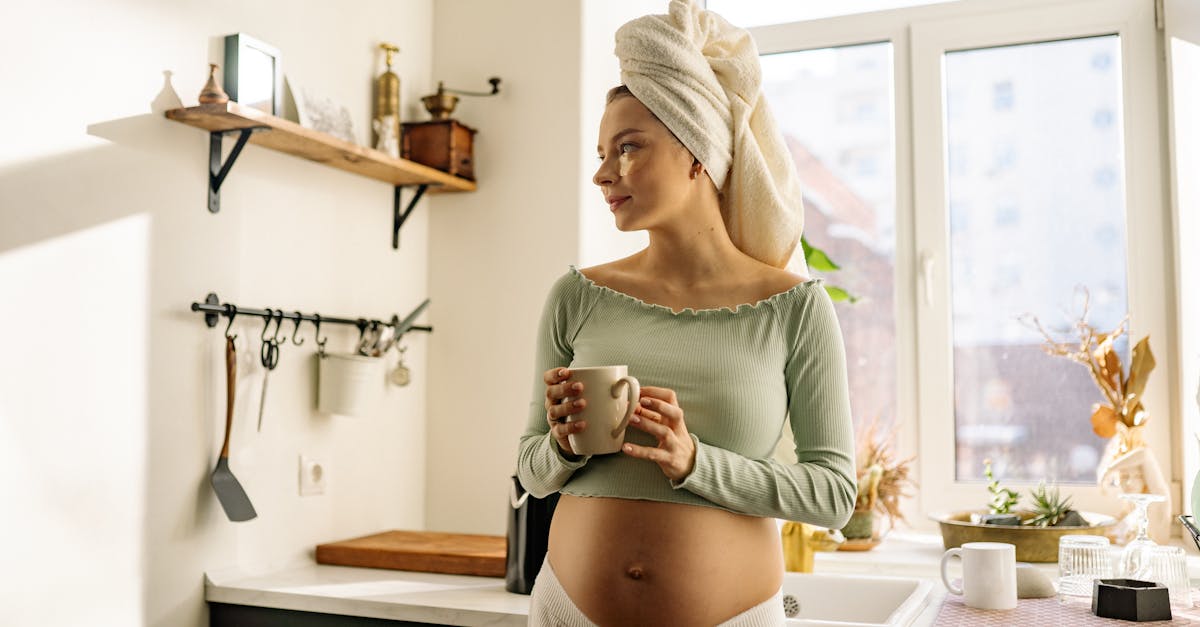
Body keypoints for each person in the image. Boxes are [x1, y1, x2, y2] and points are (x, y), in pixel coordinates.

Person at [516, 1, 856, 625]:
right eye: (601, 152)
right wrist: (563, 446)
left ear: (697, 153)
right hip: (566, 610)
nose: (602, 173)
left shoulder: (792, 309)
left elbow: (834, 495)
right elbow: (531, 472)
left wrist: (696, 462)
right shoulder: (576, 296)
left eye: (628, 148)